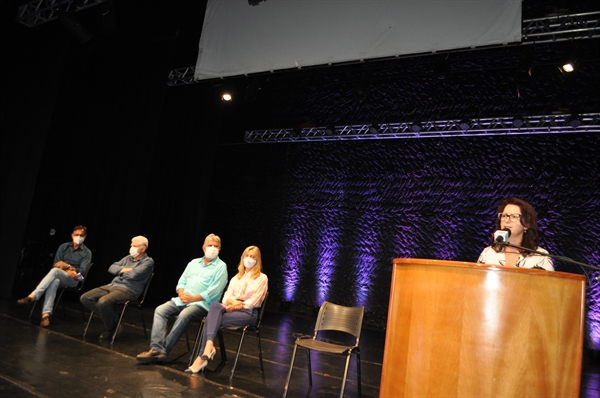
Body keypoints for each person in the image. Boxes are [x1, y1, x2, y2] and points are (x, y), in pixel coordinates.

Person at [136, 233, 228, 363]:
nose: (212, 248)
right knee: (160, 310)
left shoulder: (221, 267)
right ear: (203, 247)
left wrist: (193, 299)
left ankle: (164, 351)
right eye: (210, 245)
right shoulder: (193, 263)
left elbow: (215, 291)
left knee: (184, 315)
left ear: (219, 249)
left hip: (202, 304)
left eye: (215, 246)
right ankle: (156, 349)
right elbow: (182, 282)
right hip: (182, 299)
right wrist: (181, 294)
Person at [186, 245, 268, 373]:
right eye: (247, 256)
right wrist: (234, 304)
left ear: (257, 260)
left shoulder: (262, 278)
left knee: (211, 319)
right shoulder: (237, 277)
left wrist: (237, 305)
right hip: (231, 308)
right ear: (242, 258)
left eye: (253, 257)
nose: (249, 259)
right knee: (215, 306)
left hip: (248, 313)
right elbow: (226, 298)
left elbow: (255, 301)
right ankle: (208, 347)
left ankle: (203, 356)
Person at [80, 236, 154, 340]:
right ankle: (115, 318)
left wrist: (120, 271)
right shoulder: (127, 258)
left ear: (142, 248)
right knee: (85, 298)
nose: (131, 247)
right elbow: (111, 268)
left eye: (134, 246)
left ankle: (109, 328)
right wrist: (126, 269)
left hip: (129, 289)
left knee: (103, 302)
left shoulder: (148, 262)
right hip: (112, 285)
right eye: (131, 245)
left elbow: (134, 275)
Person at [18, 225, 92, 327]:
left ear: (85, 237)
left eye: (81, 235)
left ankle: (33, 296)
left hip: (75, 279)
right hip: (61, 274)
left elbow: (82, 271)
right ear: (72, 235)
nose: (79, 237)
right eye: (76, 235)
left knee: (55, 272)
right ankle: (45, 316)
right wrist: (69, 269)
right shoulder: (64, 247)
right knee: (54, 281)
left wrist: (68, 266)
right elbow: (56, 264)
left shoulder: (87, 253)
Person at [478, 197, 554, 271]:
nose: (507, 220)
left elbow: (549, 283)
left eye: (514, 217)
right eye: (504, 216)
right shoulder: (488, 253)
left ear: (526, 224)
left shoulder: (540, 256)